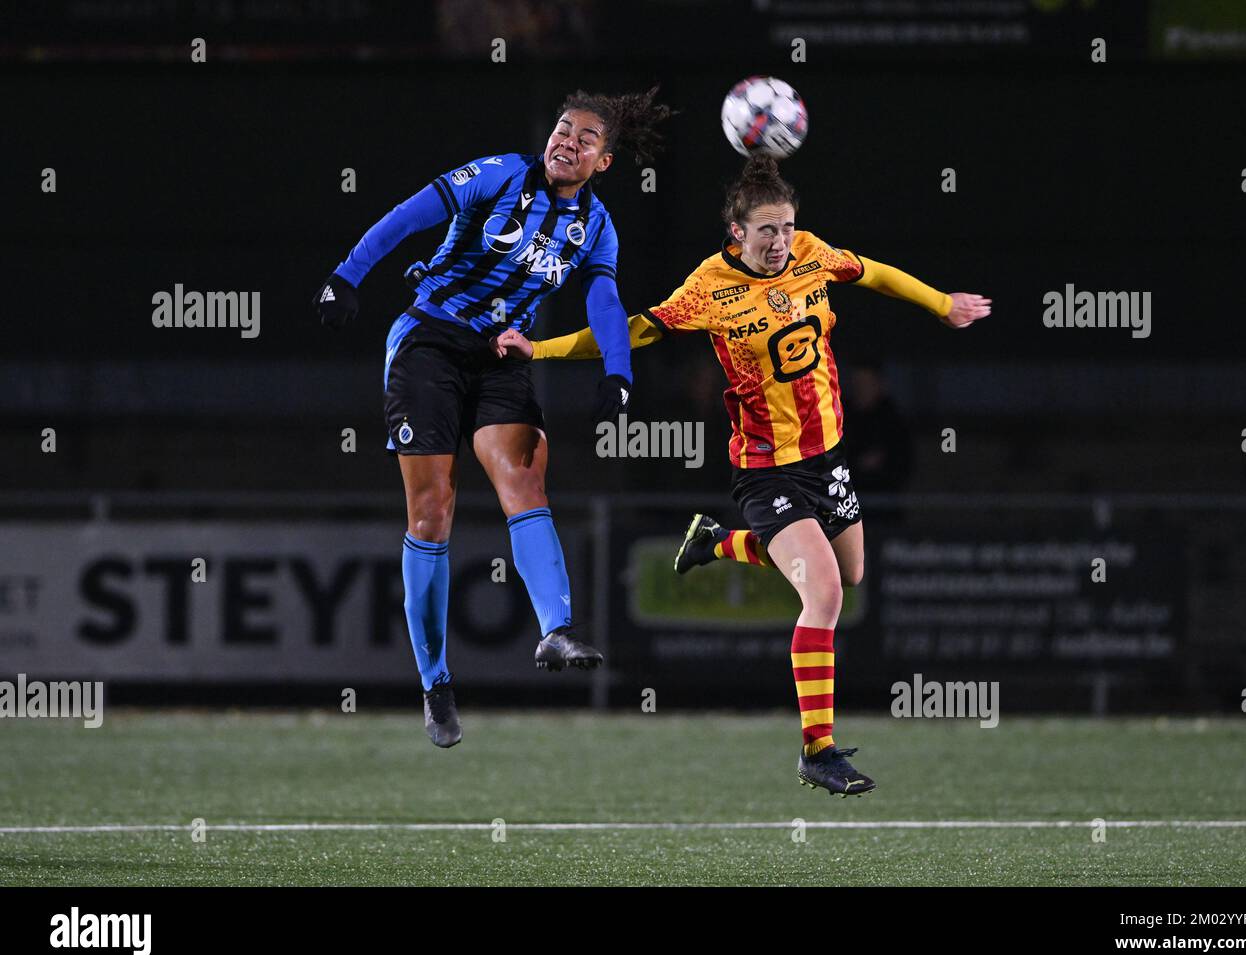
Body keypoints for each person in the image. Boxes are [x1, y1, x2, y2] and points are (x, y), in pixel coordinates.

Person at [494, 153, 990, 793]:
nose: (780, 241)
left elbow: (877, 274)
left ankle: (714, 543)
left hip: (828, 457)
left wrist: (941, 303)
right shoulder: (710, 286)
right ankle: (819, 750)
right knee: (826, 596)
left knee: (854, 572)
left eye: (785, 227)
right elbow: (636, 330)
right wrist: (544, 348)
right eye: (766, 231)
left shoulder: (812, 253)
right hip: (767, 471)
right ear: (737, 233)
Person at [310, 88, 673, 749]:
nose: (568, 141)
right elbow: (408, 216)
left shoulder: (596, 226)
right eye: (563, 129)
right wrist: (347, 274)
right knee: (433, 512)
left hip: (500, 357)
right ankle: (436, 681)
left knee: (525, 481)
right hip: (428, 343)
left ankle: (556, 628)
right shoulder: (500, 173)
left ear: (605, 161)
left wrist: (619, 374)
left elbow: (606, 301)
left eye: (585, 138)